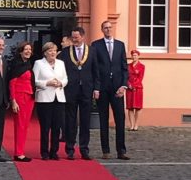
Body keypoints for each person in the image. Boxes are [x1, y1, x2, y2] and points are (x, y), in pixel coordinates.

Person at [59, 26, 100, 160]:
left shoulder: (92, 51)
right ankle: (70, 149)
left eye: (76, 37)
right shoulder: (65, 52)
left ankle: (84, 149)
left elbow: (96, 71)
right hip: (70, 90)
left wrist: (96, 88)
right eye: (73, 37)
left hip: (86, 90)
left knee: (85, 121)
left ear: (82, 37)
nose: (74, 40)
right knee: (70, 120)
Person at [92, 21, 130, 160]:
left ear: (112, 29)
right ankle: (105, 150)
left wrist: (124, 85)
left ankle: (121, 150)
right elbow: (95, 68)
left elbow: (124, 67)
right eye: (105, 28)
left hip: (117, 88)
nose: (108, 30)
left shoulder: (120, 45)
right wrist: (96, 88)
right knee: (103, 119)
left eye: (109, 27)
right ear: (102, 30)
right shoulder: (96, 45)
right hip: (102, 87)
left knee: (120, 119)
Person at [33, 42, 68, 160]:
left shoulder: (61, 63)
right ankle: (44, 152)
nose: (53, 53)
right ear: (45, 53)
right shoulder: (39, 63)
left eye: (54, 50)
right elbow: (34, 80)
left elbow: (65, 78)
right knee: (45, 127)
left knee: (57, 126)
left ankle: (54, 151)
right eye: (50, 51)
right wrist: (46, 83)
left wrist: (61, 83)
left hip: (59, 97)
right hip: (44, 98)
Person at [9, 41, 35, 162]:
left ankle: (20, 151)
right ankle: (19, 153)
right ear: (20, 51)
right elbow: (12, 83)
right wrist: (13, 101)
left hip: (29, 97)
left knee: (24, 126)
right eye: (26, 49)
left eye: (30, 49)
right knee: (20, 125)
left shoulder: (28, 64)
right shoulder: (16, 64)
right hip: (20, 97)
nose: (28, 51)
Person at [58, 34, 73, 142]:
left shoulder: (62, 54)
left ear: (69, 41)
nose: (62, 43)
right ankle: (66, 134)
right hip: (63, 86)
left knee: (66, 113)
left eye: (63, 41)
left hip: (66, 86)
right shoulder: (60, 54)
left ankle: (66, 134)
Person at [126, 49, 145, 131]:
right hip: (129, 89)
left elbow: (140, 78)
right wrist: (128, 84)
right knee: (130, 107)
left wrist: (134, 85)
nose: (134, 57)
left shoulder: (142, 66)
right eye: (133, 55)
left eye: (135, 55)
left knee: (138, 107)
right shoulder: (128, 66)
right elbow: (126, 77)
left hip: (137, 88)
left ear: (138, 56)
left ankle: (136, 125)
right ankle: (132, 125)